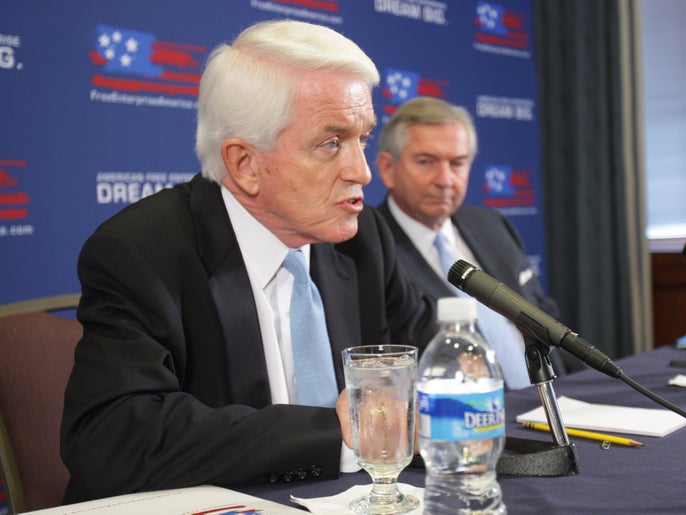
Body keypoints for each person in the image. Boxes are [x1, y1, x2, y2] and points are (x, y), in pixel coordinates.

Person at [60, 20, 436, 503]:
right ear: (245, 164)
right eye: (331, 143)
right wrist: (340, 435)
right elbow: (112, 440)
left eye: (362, 139)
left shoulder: (362, 238)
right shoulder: (142, 253)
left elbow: (434, 363)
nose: (361, 172)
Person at [375, 96, 568, 389]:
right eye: (426, 162)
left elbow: (542, 314)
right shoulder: (370, 247)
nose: (445, 180)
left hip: (554, 396)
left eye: (457, 163)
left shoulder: (492, 225)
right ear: (388, 168)